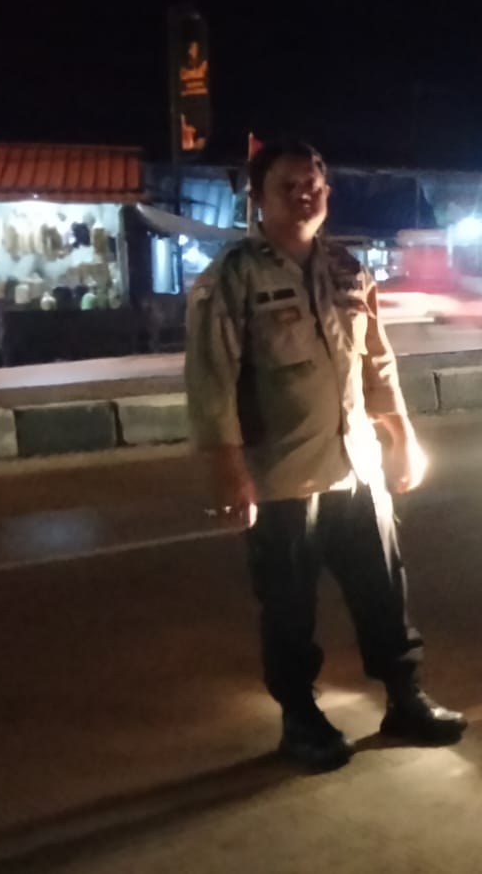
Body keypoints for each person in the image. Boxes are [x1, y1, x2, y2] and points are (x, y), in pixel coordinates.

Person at [185, 138, 465, 772]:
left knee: (384, 590)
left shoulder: (348, 270)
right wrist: (227, 468)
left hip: (357, 466)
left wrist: (402, 437)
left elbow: (377, 362)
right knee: (289, 606)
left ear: (327, 192)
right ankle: (299, 717)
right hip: (282, 476)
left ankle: (405, 697)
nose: (303, 195)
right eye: (287, 186)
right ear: (258, 199)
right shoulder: (232, 277)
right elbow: (211, 380)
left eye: (312, 185)